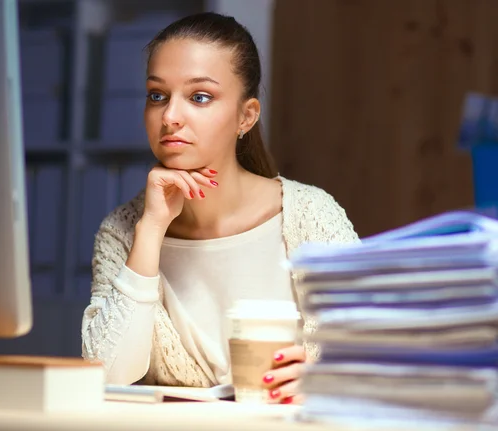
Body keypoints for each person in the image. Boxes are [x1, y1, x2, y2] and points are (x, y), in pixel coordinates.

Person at [81, 12, 358, 404]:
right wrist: (151, 229)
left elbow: (371, 358)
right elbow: (106, 376)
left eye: (199, 97)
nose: (170, 117)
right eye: (157, 95)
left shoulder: (311, 216)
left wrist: (325, 381)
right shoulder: (123, 231)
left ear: (246, 116)